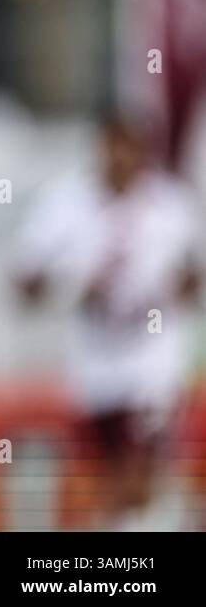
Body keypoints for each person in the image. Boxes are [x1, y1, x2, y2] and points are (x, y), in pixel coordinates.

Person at [15, 116, 202, 531]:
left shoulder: (170, 205)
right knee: (113, 478)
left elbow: (193, 278)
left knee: (137, 476)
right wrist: (73, 285)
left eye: (129, 148)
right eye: (113, 148)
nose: (120, 159)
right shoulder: (64, 204)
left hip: (153, 366)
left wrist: (164, 292)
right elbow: (22, 285)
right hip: (94, 371)